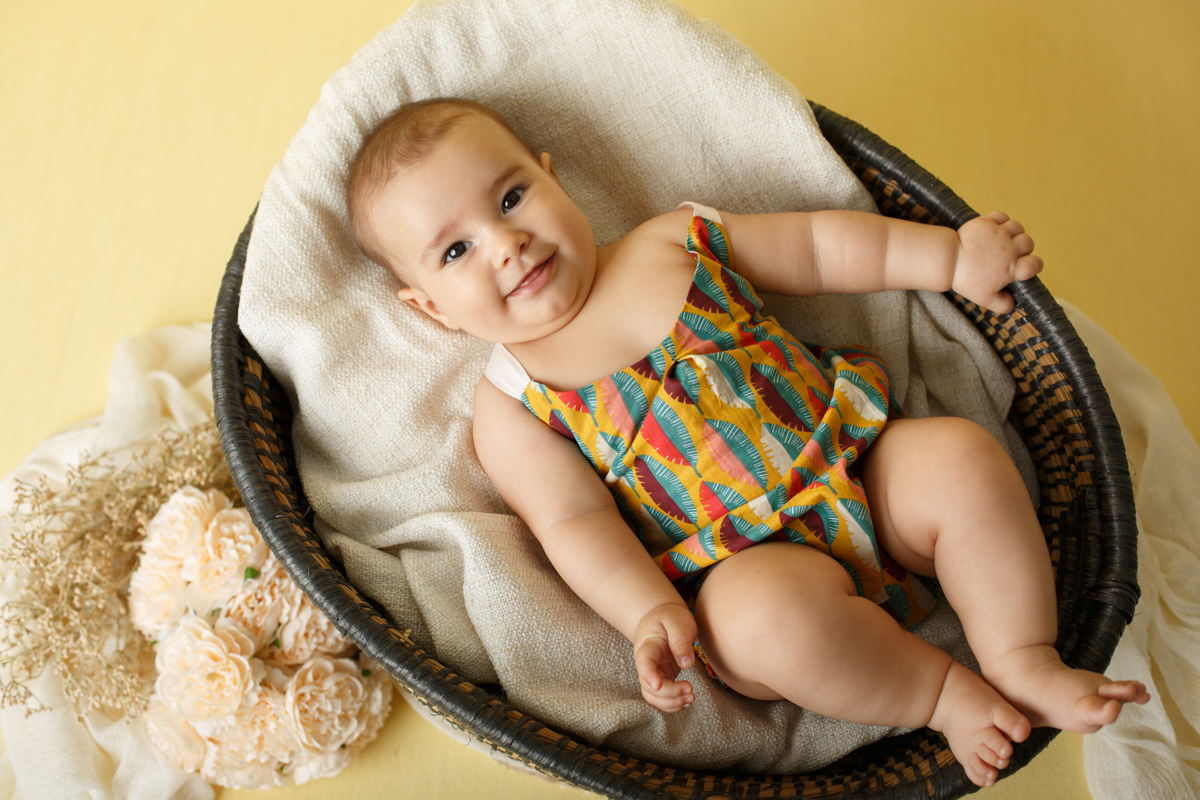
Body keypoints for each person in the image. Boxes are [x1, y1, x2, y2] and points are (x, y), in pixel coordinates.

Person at [346, 98, 1149, 788]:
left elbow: (820, 250)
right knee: (758, 627)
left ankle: (1019, 656)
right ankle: (939, 695)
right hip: (746, 565)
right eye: (457, 251)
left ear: (554, 177)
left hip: (859, 464)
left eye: (513, 196)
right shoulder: (513, 401)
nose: (504, 243)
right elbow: (573, 526)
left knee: (961, 458)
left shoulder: (674, 241)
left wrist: (949, 260)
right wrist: (647, 612)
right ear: (432, 310)